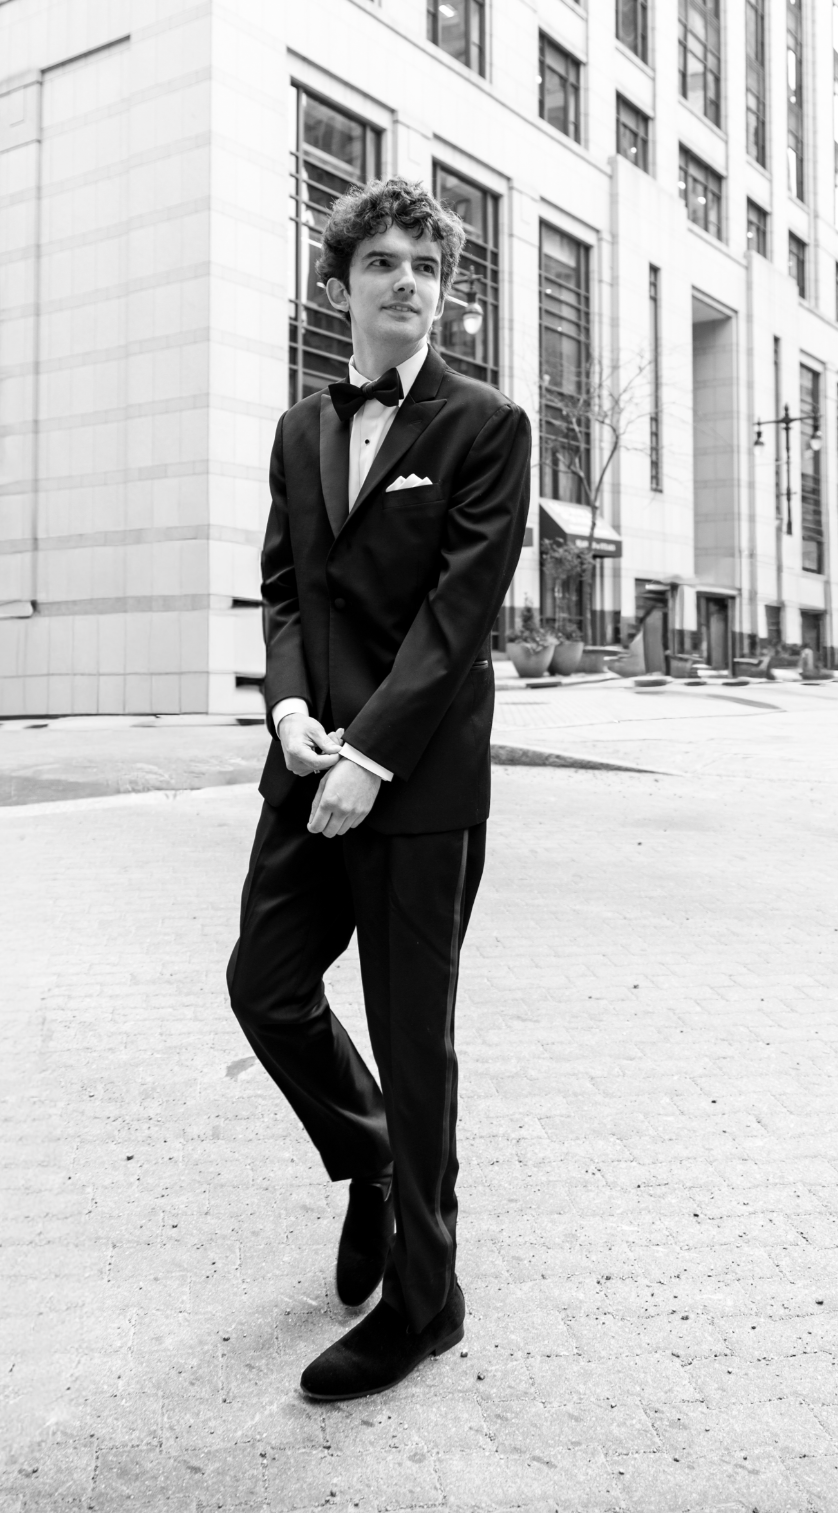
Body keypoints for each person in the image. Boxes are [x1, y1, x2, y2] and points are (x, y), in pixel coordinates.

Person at [227, 175, 531, 1402]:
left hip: (416, 783)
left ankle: (426, 1301)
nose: (409, 280)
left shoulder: (484, 423)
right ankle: (370, 1164)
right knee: (265, 984)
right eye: (384, 263)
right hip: (305, 763)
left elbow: (457, 617)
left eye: (427, 266)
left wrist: (368, 757)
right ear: (340, 283)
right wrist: (293, 711)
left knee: (414, 1041)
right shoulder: (301, 430)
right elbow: (288, 590)